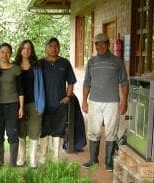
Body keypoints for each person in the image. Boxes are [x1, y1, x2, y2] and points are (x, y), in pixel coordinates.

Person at [81, 32, 129, 171]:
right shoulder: (91, 62)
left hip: (112, 102)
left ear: (108, 44)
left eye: (103, 43)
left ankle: (109, 162)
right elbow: (86, 83)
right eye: (97, 43)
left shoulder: (117, 61)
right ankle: (93, 159)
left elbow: (124, 82)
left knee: (111, 131)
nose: (100, 46)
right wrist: (84, 101)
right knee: (93, 130)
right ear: (95, 46)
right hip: (94, 101)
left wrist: (124, 101)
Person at [39, 37, 76, 163]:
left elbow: (71, 82)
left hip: (60, 103)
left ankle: (55, 157)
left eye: (56, 46)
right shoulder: (40, 64)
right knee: (43, 130)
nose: (53, 48)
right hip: (43, 104)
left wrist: (68, 97)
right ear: (46, 48)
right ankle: (43, 157)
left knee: (58, 130)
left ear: (59, 48)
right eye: (50, 46)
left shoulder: (65, 63)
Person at [0, 43, 24, 168]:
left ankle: (12, 164)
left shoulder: (16, 69)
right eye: (2, 52)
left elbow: (21, 89)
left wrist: (21, 107)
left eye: (7, 52)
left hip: (12, 105)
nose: (5, 55)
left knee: (12, 134)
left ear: (11, 53)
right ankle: (0, 162)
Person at [14, 39, 45, 168]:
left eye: (29, 49)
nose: (26, 51)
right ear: (20, 50)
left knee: (34, 130)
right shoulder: (14, 66)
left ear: (31, 51)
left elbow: (41, 86)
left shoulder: (36, 66)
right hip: (17, 104)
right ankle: (21, 156)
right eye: (24, 48)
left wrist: (41, 105)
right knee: (21, 131)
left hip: (34, 103)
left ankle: (33, 157)